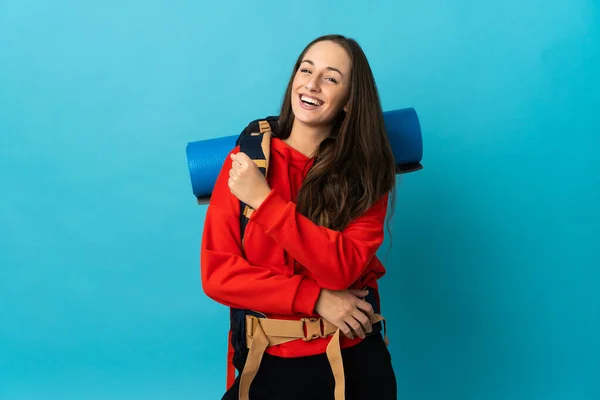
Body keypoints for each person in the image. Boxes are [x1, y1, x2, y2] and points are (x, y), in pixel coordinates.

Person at [200, 34, 397, 400]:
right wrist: (316, 298)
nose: (312, 84)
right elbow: (218, 275)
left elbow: (343, 268)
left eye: (331, 78)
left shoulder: (368, 174)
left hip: (354, 359)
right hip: (272, 361)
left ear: (350, 102)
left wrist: (264, 201)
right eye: (306, 70)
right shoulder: (244, 165)